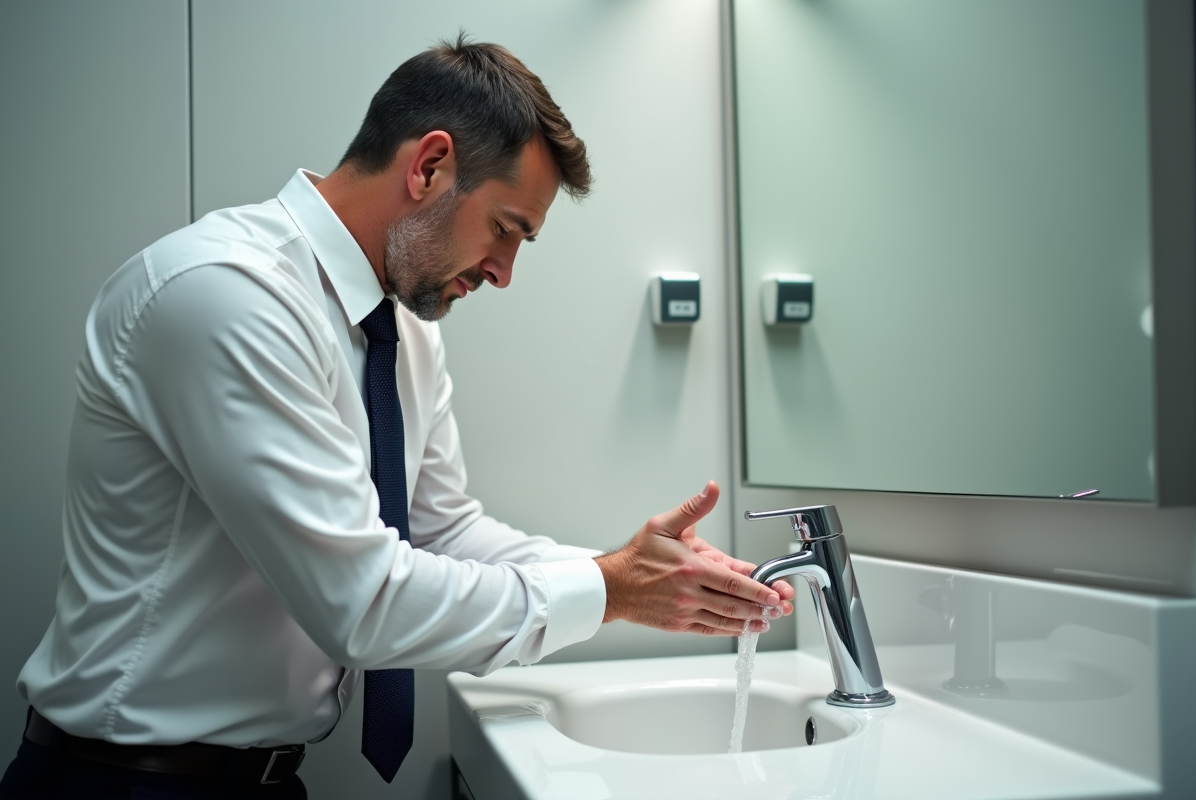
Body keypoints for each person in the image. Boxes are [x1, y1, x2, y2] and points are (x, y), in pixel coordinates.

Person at [0, 36, 794, 799]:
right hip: (124, 781)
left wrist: (637, 571)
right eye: (506, 229)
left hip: (262, 780)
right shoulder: (226, 295)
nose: (504, 273)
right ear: (429, 166)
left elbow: (441, 531)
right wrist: (611, 590)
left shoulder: (402, 329)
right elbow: (363, 601)